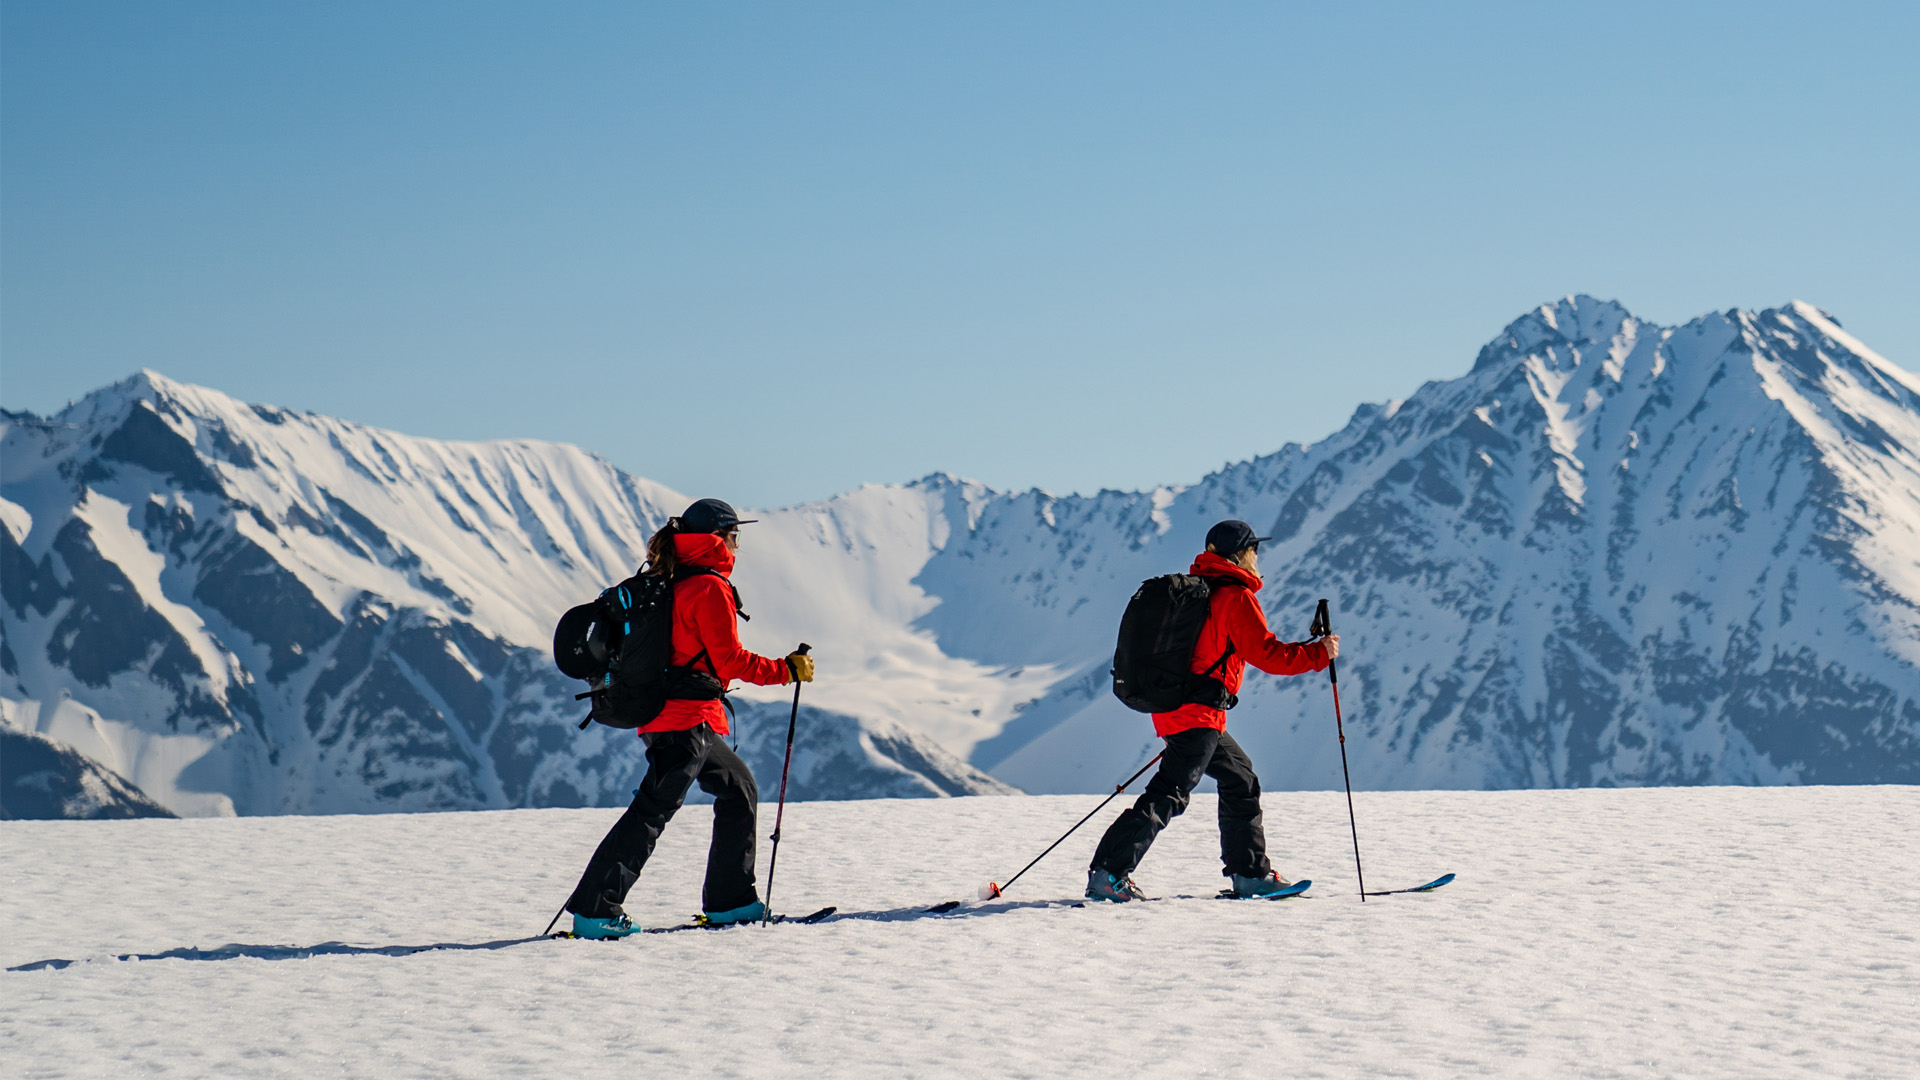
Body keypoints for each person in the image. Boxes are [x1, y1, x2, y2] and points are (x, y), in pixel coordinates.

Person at [564, 498, 814, 938]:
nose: (738, 545)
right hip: (686, 718)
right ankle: (596, 909)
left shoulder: (672, 578)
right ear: (717, 538)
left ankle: (731, 903)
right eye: (735, 536)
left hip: (671, 715)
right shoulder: (708, 587)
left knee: (738, 790)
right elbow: (729, 660)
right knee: (651, 812)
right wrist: (785, 669)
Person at [1086, 519, 1339, 901]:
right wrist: (1318, 654)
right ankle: (1109, 873)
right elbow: (1266, 654)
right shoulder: (1234, 596)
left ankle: (1250, 873)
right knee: (1170, 791)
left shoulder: (1202, 592)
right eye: (1254, 549)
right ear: (1241, 553)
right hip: (1198, 712)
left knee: (1240, 778)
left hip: (1178, 707)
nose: (1257, 557)